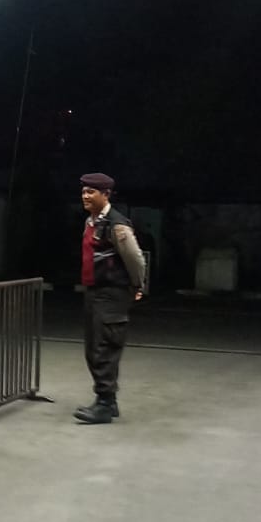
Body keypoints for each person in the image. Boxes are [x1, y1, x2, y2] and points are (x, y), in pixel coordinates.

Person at [73, 173, 146, 425]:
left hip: (112, 292)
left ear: (106, 194)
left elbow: (135, 258)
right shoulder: (92, 221)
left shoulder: (116, 225)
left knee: (104, 345)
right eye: (83, 191)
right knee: (93, 347)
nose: (85, 196)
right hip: (95, 291)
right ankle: (109, 401)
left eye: (91, 192)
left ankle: (104, 404)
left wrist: (137, 284)